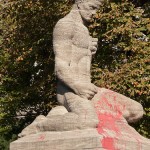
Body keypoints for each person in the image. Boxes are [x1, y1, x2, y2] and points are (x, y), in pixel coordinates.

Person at [19, 0, 143, 136]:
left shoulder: (84, 29)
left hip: (88, 89)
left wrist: (90, 53)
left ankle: (58, 114)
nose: (94, 13)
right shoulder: (65, 25)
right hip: (70, 90)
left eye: (97, 9)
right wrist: (77, 86)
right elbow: (60, 66)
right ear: (79, 3)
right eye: (91, 7)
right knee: (88, 121)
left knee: (135, 111)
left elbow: (79, 62)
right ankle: (40, 125)